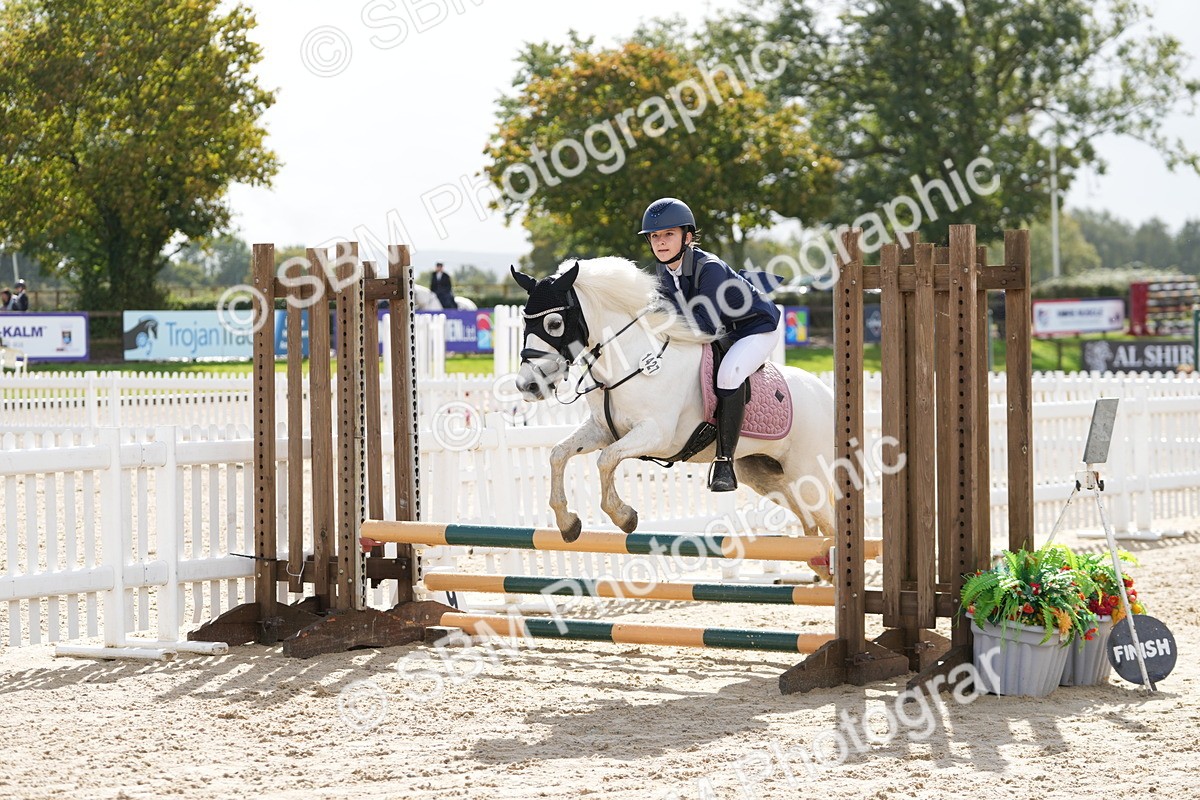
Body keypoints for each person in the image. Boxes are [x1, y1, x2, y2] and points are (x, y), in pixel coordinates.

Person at [639, 197, 782, 492]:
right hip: (721, 332)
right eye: (655, 236)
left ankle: (725, 461)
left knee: (728, 374)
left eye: (669, 234)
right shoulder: (664, 272)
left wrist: (658, 315)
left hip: (755, 328)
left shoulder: (710, 268)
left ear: (687, 237)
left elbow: (702, 325)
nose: (661, 242)